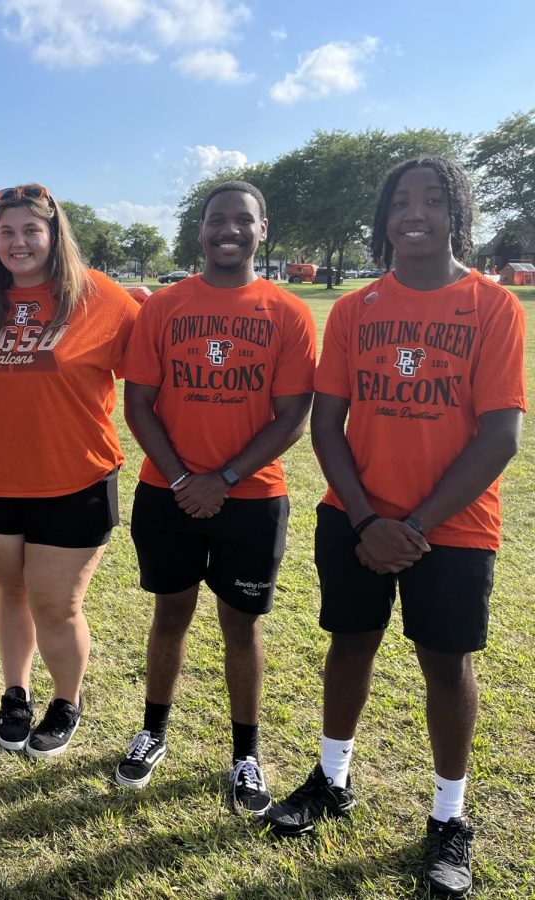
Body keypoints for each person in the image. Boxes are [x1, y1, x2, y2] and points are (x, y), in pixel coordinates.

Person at [263, 158, 526, 897]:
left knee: (447, 669)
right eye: (401, 202)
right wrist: (367, 518)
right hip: (356, 516)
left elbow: (500, 437)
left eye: (433, 200)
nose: (415, 212)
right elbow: (326, 424)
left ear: (456, 214)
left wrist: (410, 526)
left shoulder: (492, 306)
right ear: (383, 219)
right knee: (349, 649)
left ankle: (449, 818)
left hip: (454, 528)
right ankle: (333, 779)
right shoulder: (355, 309)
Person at [116, 180, 316, 815]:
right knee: (169, 616)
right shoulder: (165, 306)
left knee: (241, 626)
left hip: (251, 498)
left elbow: (291, 416)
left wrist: (222, 480)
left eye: (241, 220)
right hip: (166, 493)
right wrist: (182, 479)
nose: (226, 230)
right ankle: (153, 730)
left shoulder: (286, 311)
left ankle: (246, 754)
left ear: (263, 229)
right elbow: (139, 403)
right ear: (199, 231)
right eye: (214, 220)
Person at [0, 184, 141, 757]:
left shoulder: (101, 298)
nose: (18, 242)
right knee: (11, 590)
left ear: (54, 235)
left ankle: (67, 699)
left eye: (31, 231)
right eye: (6, 232)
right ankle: (16, 691)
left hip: (75, 479)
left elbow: (157, 361)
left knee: (56, 605)